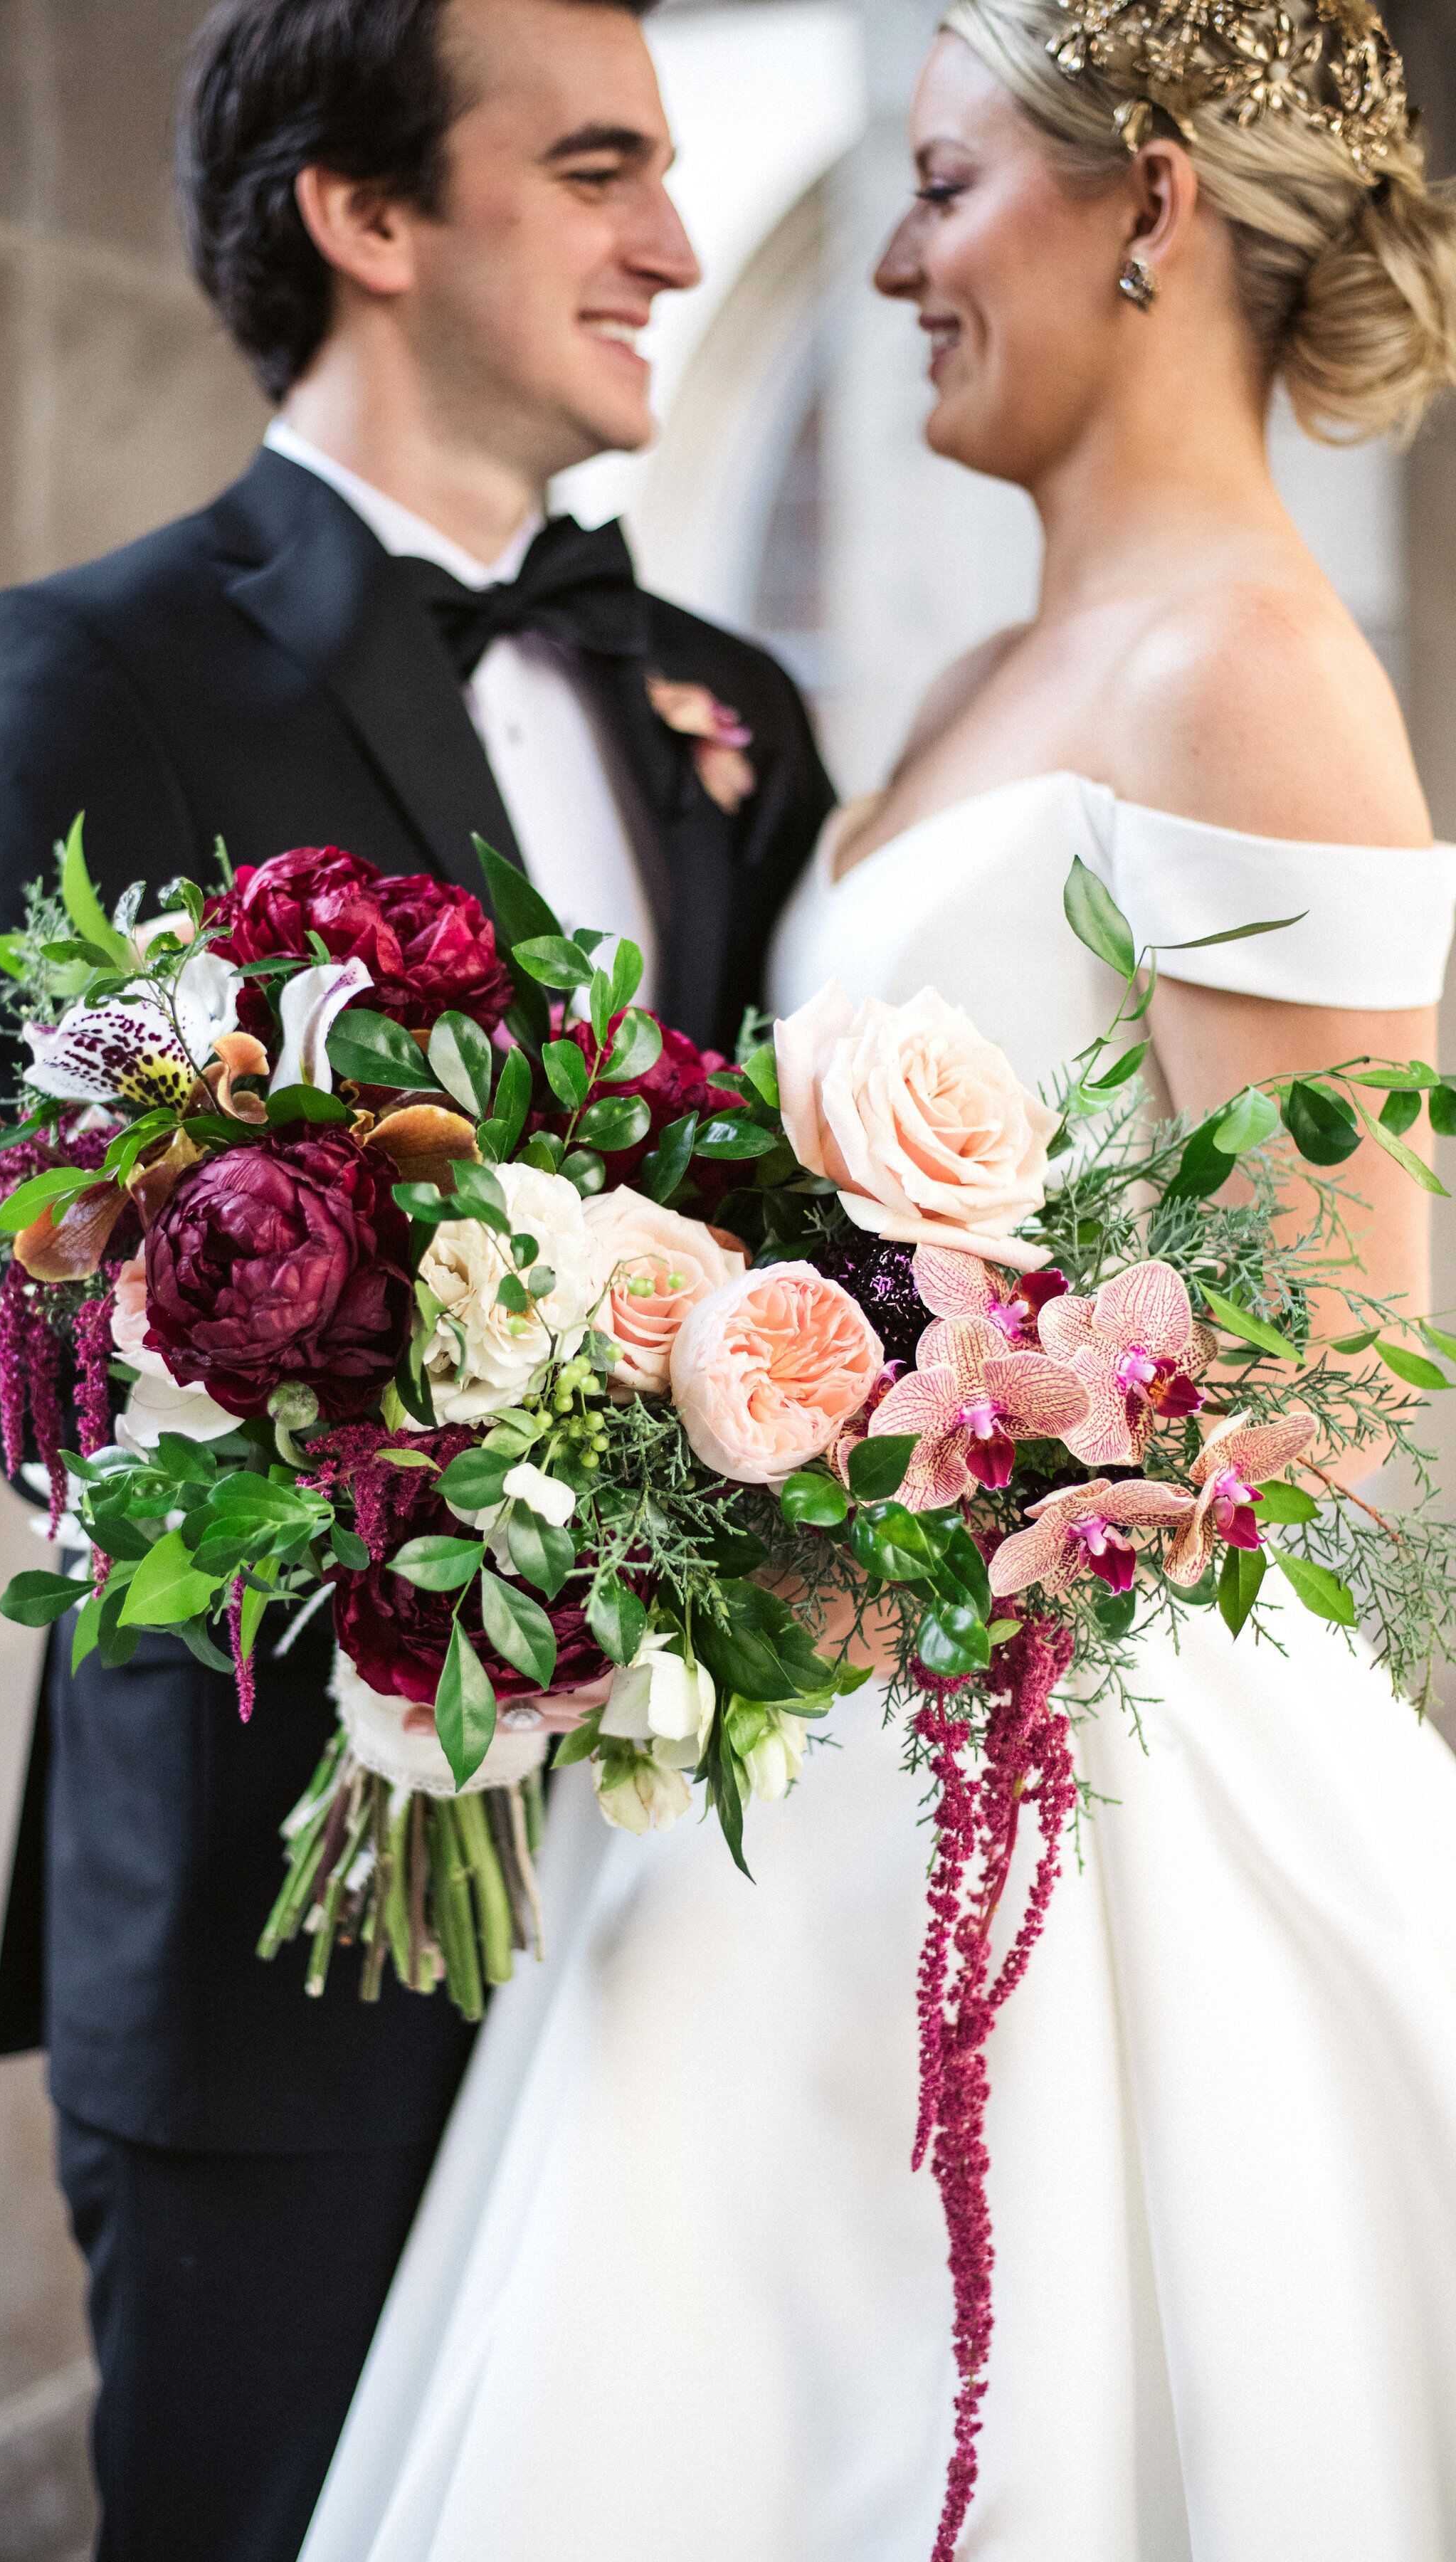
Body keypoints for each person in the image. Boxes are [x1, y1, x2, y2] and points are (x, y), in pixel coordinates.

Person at [297, 5, 1456, 2556]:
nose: (896, 259)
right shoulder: (947, 695)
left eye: (941, 185)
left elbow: (1345, 1391)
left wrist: (895, 1501)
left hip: (1069, 1796)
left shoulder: (1252, 677)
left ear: (1150, 202)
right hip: (805, 1724)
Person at [0, 0, 833, 2551]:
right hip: (275, 1953)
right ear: (370, 215)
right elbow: (30, 1339)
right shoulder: (87, 672)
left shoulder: (723, 715)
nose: (679, 244)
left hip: (674, 1926)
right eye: (603, 168)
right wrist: (469, 1388)